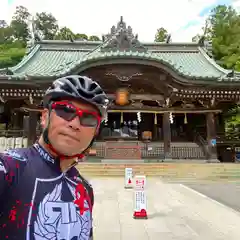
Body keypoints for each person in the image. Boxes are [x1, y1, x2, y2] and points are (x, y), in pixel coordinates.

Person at [0, 75, 109, 239]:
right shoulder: (10, 168)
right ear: (44, 117)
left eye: (88, 118)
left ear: (96, 131)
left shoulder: (84, 190)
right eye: (65, 110)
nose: (74, 124)